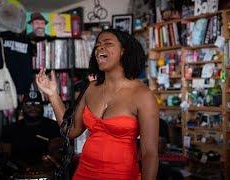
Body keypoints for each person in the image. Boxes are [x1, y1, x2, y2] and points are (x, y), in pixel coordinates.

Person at [36, 28, 159, 180]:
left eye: (107, 43)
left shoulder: (143, 95)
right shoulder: (90, 88)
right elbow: (71, 131)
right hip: (84, 173)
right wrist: (52, 95)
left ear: (123, 52)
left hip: (122, 175)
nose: (100, 47)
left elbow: (150, 154)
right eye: (98, 44)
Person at [0, 90, 62, 173]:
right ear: (22, 107)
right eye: (28, 104)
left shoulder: (53, 126)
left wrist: (39, 168)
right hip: (17, 174)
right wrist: (23, 168)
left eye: (37, 104)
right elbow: (3, 157)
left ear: (42, 106)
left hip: (45, 174)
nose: (33, 107)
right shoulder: (10, 129)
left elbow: (56, 155)